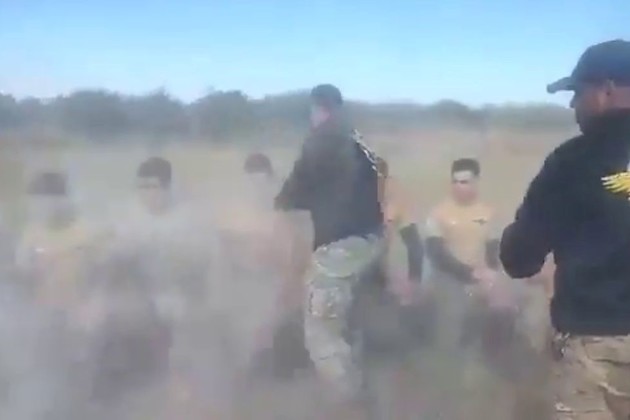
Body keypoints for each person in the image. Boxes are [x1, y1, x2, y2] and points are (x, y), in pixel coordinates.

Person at [500, 39, 630, 420]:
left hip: (595, 346)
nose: (573, 105)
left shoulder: (571, 162)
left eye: (577, 92)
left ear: (607, 90)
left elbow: (519, 260)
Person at [274, 83, 384, 419]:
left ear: (318, 109)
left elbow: (288, 199)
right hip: (370, 242)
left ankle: (350, 406)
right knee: (346, 323)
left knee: (320, 332)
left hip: (338, 249)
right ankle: (362, 387)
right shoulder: (358, 141)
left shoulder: (321, 140)